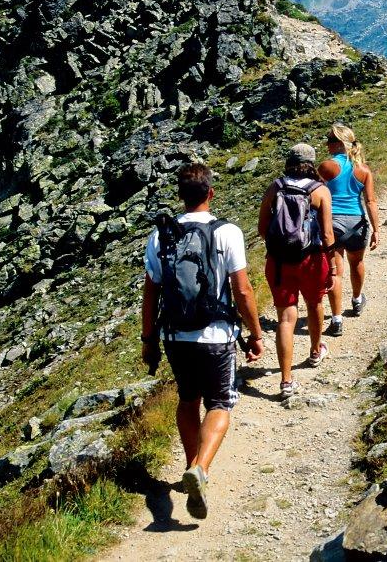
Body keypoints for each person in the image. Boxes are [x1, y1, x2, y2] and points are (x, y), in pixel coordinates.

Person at [141, 163, 265, 521]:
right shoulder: (227, 232)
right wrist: (255, 333)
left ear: (180, 197)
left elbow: (151, 293)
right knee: (221, 402)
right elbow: (242, 289)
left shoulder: (161, 235)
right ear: (211, 193)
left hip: (174, 335)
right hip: (216, 334)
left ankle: (190, 463)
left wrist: (148, 340)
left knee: (187, 399)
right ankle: (200, 469)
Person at [258, 143, 336, 398]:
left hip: (279, 261)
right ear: (312, 163)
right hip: (312, 259)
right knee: (315, 304)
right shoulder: (320, 190)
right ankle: (315, 351)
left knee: (285, 319)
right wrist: (332, 263)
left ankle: (286, 380)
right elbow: (326, 233)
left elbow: (262, 228)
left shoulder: (275, 187)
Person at [318, 123, 380, 331]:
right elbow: (370, 201)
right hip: (357, 222)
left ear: (338, 143)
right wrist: (376, 229)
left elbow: (316, 196)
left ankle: (336, 320)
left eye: (329, 139)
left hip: (332, 223)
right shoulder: (363, 169)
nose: (326, 143)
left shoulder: (326, 167)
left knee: (335, 273)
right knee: (357, 262)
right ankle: (356, 299)